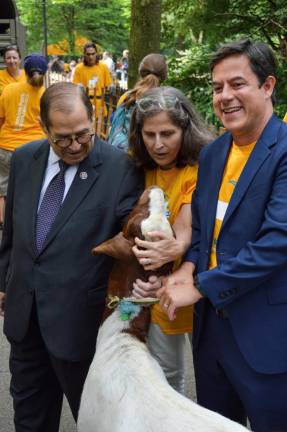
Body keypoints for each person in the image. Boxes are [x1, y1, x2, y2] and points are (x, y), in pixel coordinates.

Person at [158, 39, 287, 432]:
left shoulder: (283, 151)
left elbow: (277, 242)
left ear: (267, 86)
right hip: (211, 332)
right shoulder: (213, 153)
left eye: (237, 84)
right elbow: (201, 227)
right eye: (217, 88)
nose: (225, 97)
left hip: (266, 335)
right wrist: (190, 266)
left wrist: (201, 285)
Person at [0, 81, 143, 432]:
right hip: (25, 320)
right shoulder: (23, 159)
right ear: (45, 127)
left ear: (93, 119)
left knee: (93, 421)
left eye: (83, 134)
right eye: (62, 138)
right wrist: (4, 282)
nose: (75, 145)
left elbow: (132, 227)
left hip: (80, 324)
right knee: (30, 418)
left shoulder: (119, 168)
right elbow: (13, 233)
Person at [129, 86, 213, 393]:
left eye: (168, 133)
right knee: (166, 374)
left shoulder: (202, 164)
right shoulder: (139, 168)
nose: (158, 144)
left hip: (200, 281)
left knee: (214, 373)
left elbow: (186, 222)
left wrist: (176, 246)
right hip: (160, 286)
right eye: (149, 135)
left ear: (185, 128)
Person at [0, 53, 48, 225]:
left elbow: (1, 118)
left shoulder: (8, 89)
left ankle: (3, 221)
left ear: (24, 71)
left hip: (6, 145)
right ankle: (26, 220)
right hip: (34, 148)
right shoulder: (46, 95)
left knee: (3, 186)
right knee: (31, 186)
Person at [108, 53, 168, 151]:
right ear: (165, 75)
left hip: (120, 154)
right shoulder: (166, 102)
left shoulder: (127, 97)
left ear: (140, 72)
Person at [72, 42, 112, 119]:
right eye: (88, 54)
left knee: (100, 130)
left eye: (93, 54)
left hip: (100, 105)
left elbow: (108, 86)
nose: (91, 57)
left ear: (96, 54)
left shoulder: (103, 67)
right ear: (84, 54)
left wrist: (110, 87)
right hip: (84, 105)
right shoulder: (79, 68)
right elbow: (75, 88)